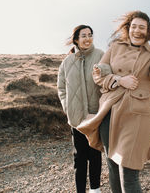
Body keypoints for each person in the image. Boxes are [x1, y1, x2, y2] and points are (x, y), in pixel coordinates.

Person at [77, 11, 150, 192]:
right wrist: (120, 80)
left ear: (148, 31)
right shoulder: (115, 47)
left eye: (142, 27)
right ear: (128, 28)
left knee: (129, 170)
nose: (137, 30)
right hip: (110, 111)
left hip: (137, 114)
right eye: (134, 26)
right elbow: (98, 75)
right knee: (112, 163)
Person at [57, 25, 103, 193]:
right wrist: (67, 106)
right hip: (76, 117)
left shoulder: (100, 55)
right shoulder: (67, 62)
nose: (87, 38)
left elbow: (107, 78)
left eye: (90, 35)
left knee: (95, 154)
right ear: (76, 39)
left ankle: (95, 190)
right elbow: (61, 88)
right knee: (80, 157)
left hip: (95, 115)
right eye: (83, 35)